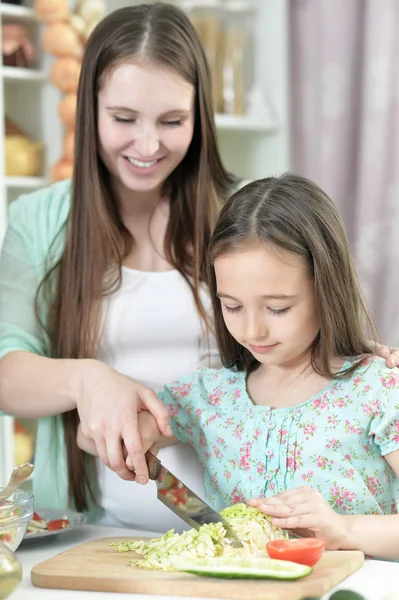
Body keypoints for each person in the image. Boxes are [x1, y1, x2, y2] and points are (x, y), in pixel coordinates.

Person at [0, 3, 397, 533]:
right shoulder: (39, 221)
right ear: (89, 109)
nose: (147, 145)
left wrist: (353, 353)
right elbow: (7, 370)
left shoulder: (245, 220)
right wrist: (86, 382)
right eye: (123, 119)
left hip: (241, 536)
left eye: (172, 121)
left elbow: (311, 312)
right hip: (104, 529)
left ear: (199, 115)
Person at [102, 173, 399, 560]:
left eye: (278, 308)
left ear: (326, 289)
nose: (252, 329)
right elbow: (98, 434)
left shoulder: (377, 390)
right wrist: (123, 437)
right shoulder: (210, 397)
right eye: (233, 306)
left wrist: (346, 529)